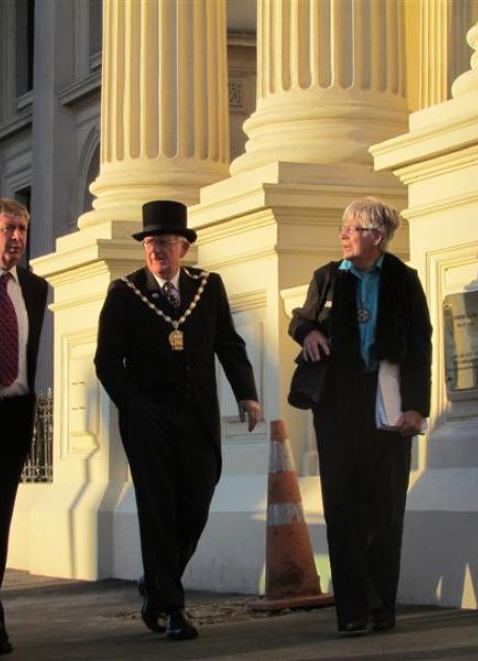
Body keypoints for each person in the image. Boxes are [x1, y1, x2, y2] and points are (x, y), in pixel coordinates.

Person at [94, 200, 261, 641]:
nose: (156, 251)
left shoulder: (209, 287)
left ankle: (156, 582)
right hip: (148, 421)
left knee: (197, 501)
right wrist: (133, 404)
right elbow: (107, 361)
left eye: (165, 242)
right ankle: (171, 608)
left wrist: (247, 394)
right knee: (158, 509)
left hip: (197, 417)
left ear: (184, 247)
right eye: (150, 243)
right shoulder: (124, 293)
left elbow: (228, 343)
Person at [289, 197, 432, 634]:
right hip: (339, 403)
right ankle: (351, 610)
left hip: (387, 400)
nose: (344, 235)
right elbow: (299, 320)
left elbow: (421, 345)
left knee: (386, 506)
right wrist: (310, 331)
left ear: (377, 235)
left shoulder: (404, 280)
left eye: (352, 228)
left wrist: (416, 407)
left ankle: (381, 605)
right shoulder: (328, 277)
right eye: (344, 228)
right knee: (342, 505)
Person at [0, 198, 49, 658]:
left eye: (22, 230)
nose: (17, 239)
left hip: (13, 420)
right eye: (9, 228)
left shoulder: (34, 287)